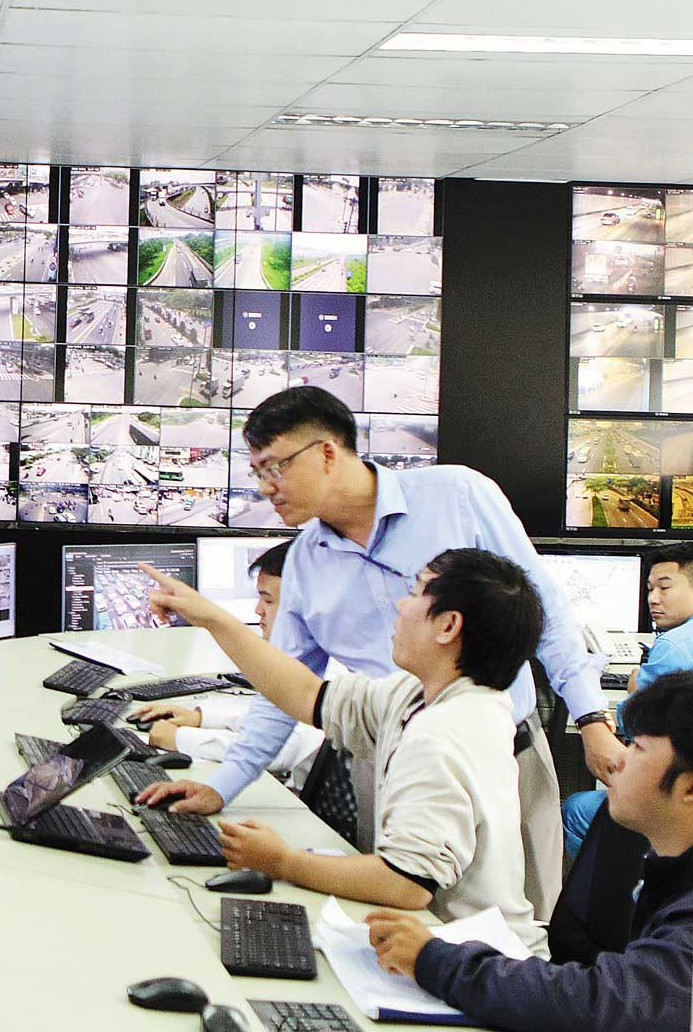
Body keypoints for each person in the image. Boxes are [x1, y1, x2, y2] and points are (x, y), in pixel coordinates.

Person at [137, 387, 614, 918]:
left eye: (275, 467)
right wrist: (221, 787)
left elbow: (543, 608)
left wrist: (591, 719)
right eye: (257, 472)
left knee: (519, 917)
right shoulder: (306, 565)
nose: (266, 487)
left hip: (509, 751)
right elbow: (292, 690)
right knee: (401, 920)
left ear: (326, 452)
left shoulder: (458, 495)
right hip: (385, 752)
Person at [142, 549, 547, 953]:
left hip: (471, 954)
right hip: (437, 939)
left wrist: (282, 862)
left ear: (448, 626)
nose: (400, 605)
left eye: (415, 592)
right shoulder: (422, 696)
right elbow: (306, 694)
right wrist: (213, 619)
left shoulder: (444, 733)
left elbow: (407, 883)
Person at [366, 671, 693, 1031]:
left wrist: (433, 961)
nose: (619, 758)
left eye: (637, 747)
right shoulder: (666, 868)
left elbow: (603, 1002)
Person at [133, 540, 328, 788]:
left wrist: (180, 738)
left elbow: (282, 748)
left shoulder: (334, 669)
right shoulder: (310, 657)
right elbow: (277, 718)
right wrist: (202, 718)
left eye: (268, 601)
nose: (258, 610)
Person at [562, 543, 693, 857]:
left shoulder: (674, 645)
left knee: (575, 809)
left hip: (677, 791)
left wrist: (635, 688)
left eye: (665, 588)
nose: (653, 599)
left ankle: (621, 885)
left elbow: (638, 729)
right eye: (649, 589)